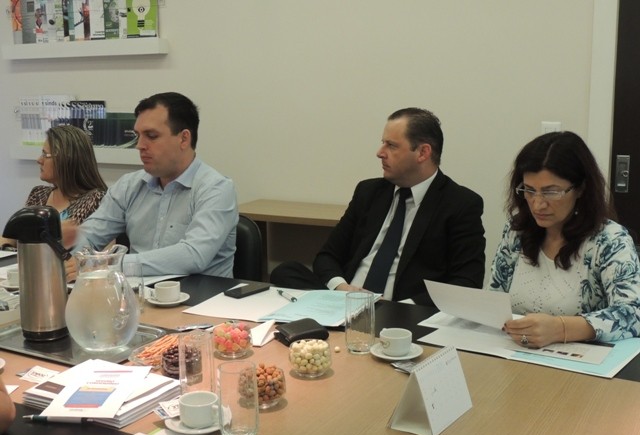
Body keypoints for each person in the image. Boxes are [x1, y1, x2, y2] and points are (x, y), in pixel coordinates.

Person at [271, 107, 486, 305]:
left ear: (423, 153)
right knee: (286, 271)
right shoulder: (369, 192)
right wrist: (342, 289)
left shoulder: (460, 204)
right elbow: (327, 256)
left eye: (391, 145)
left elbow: (467, 282)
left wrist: (402, 308)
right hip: (346, 301)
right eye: (383, 143)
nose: (380, 152)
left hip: (402, 311)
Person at [491, 131, 640, 348]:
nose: (537, 204)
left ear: (580, 189)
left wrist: (559, 329)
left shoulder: (609, 240)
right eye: (529, 190)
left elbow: (633, 314)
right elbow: (495, 297)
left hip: (579, 361)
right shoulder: (517, 231)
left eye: (551, 192)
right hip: (514, 352)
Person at [68, 92, 238, 278]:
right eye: (138, 135)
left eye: (151, 136)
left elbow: (193, 256)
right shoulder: (128, 185)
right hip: (138, 292)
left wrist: (109, 264)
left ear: (184, 139)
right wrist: (75, 253)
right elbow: (90, 236)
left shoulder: (216, 188)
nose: (139, 145)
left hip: (199, 294)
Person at [0, 125, 107, 250]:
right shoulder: (38, 194)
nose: (39, 160)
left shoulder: (96, 199)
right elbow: (13, 237)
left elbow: (101, 253)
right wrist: (7, 245)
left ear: (66, 159)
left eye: (45, 155)